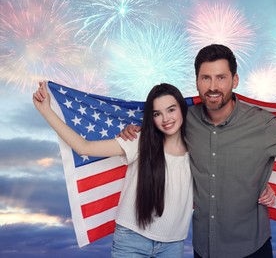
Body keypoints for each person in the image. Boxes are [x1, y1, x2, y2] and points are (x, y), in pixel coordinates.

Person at [120, 44, 276, 258]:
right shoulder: (185, 120)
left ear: (235, 80)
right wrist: (134, 130)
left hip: (251, 248)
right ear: (197, 81)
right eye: (205, 78)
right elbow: (159, 130)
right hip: (203, 248)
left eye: (221, 77)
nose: (213, 86)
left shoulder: (262, 124)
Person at [33, 81, 193, 257]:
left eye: (171, 110)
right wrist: (46, 111)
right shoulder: (139, 141)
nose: (166, 119)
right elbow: (84, 147)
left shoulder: (198, 148)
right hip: (131, 240)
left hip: (173, 245)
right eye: (157, 113)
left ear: (182, 109)